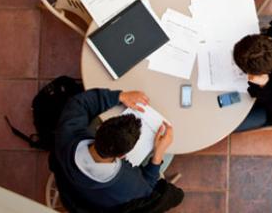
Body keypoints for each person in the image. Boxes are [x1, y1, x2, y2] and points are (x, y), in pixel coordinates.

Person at [52, 88, 182, 212]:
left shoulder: (66, 134)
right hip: (102, 201)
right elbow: (148, 187)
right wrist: (158, 154)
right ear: (122, 156)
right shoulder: (128, 185)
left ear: (99, 128)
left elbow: (78, 103)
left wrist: (120, 96)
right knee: (168, 154)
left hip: (69, 189)